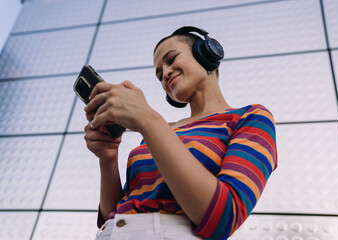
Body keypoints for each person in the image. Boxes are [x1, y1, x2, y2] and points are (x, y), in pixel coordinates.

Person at [84, 26, 278, 240]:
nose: (165, 74)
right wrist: (108, 160)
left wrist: (148, 119)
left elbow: (224, 217)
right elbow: (115, 214)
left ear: (207, 54)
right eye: (159, 75)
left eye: (172, 58)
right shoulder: (158, 129)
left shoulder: (250, 117)